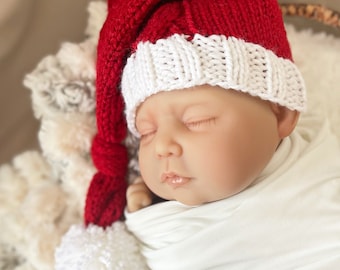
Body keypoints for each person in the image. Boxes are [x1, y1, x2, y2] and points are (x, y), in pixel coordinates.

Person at [58, 0, 340, 269]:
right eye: (147, 132)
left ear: (281, 113)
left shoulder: (321, 163)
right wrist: (148, 210)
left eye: (196, 121)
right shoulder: (167, 227)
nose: (163, 146)